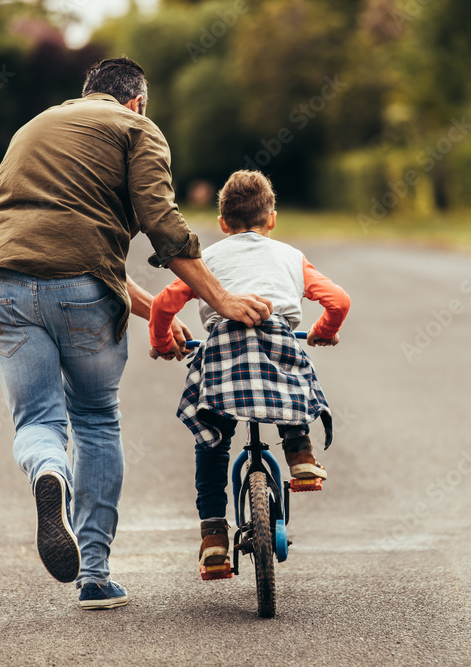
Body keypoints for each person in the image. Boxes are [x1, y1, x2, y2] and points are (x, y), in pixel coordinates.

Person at [0, 58, 273, 609]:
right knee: (96, 417)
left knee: (37, 420)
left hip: (1, 283)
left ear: (87, 94)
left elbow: (78, 247)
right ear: (138, 102)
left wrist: (159, 312)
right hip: (81, 291)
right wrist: (220, 298)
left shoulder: (35, 127)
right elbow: (162, 222)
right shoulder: (136, 128)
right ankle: (95, 577)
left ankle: (49, 472)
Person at [148, 170, 350, 575]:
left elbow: (161, 305)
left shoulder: (204, 263)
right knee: (292, 379)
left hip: (223, 355)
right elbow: (339, 301)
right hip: (278, 344)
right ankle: (301, 455)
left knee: (213, 442)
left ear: (223, 224)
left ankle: (213, 539)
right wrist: (323, 332)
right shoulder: (291, 258)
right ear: (271, 218)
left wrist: (161, 342)